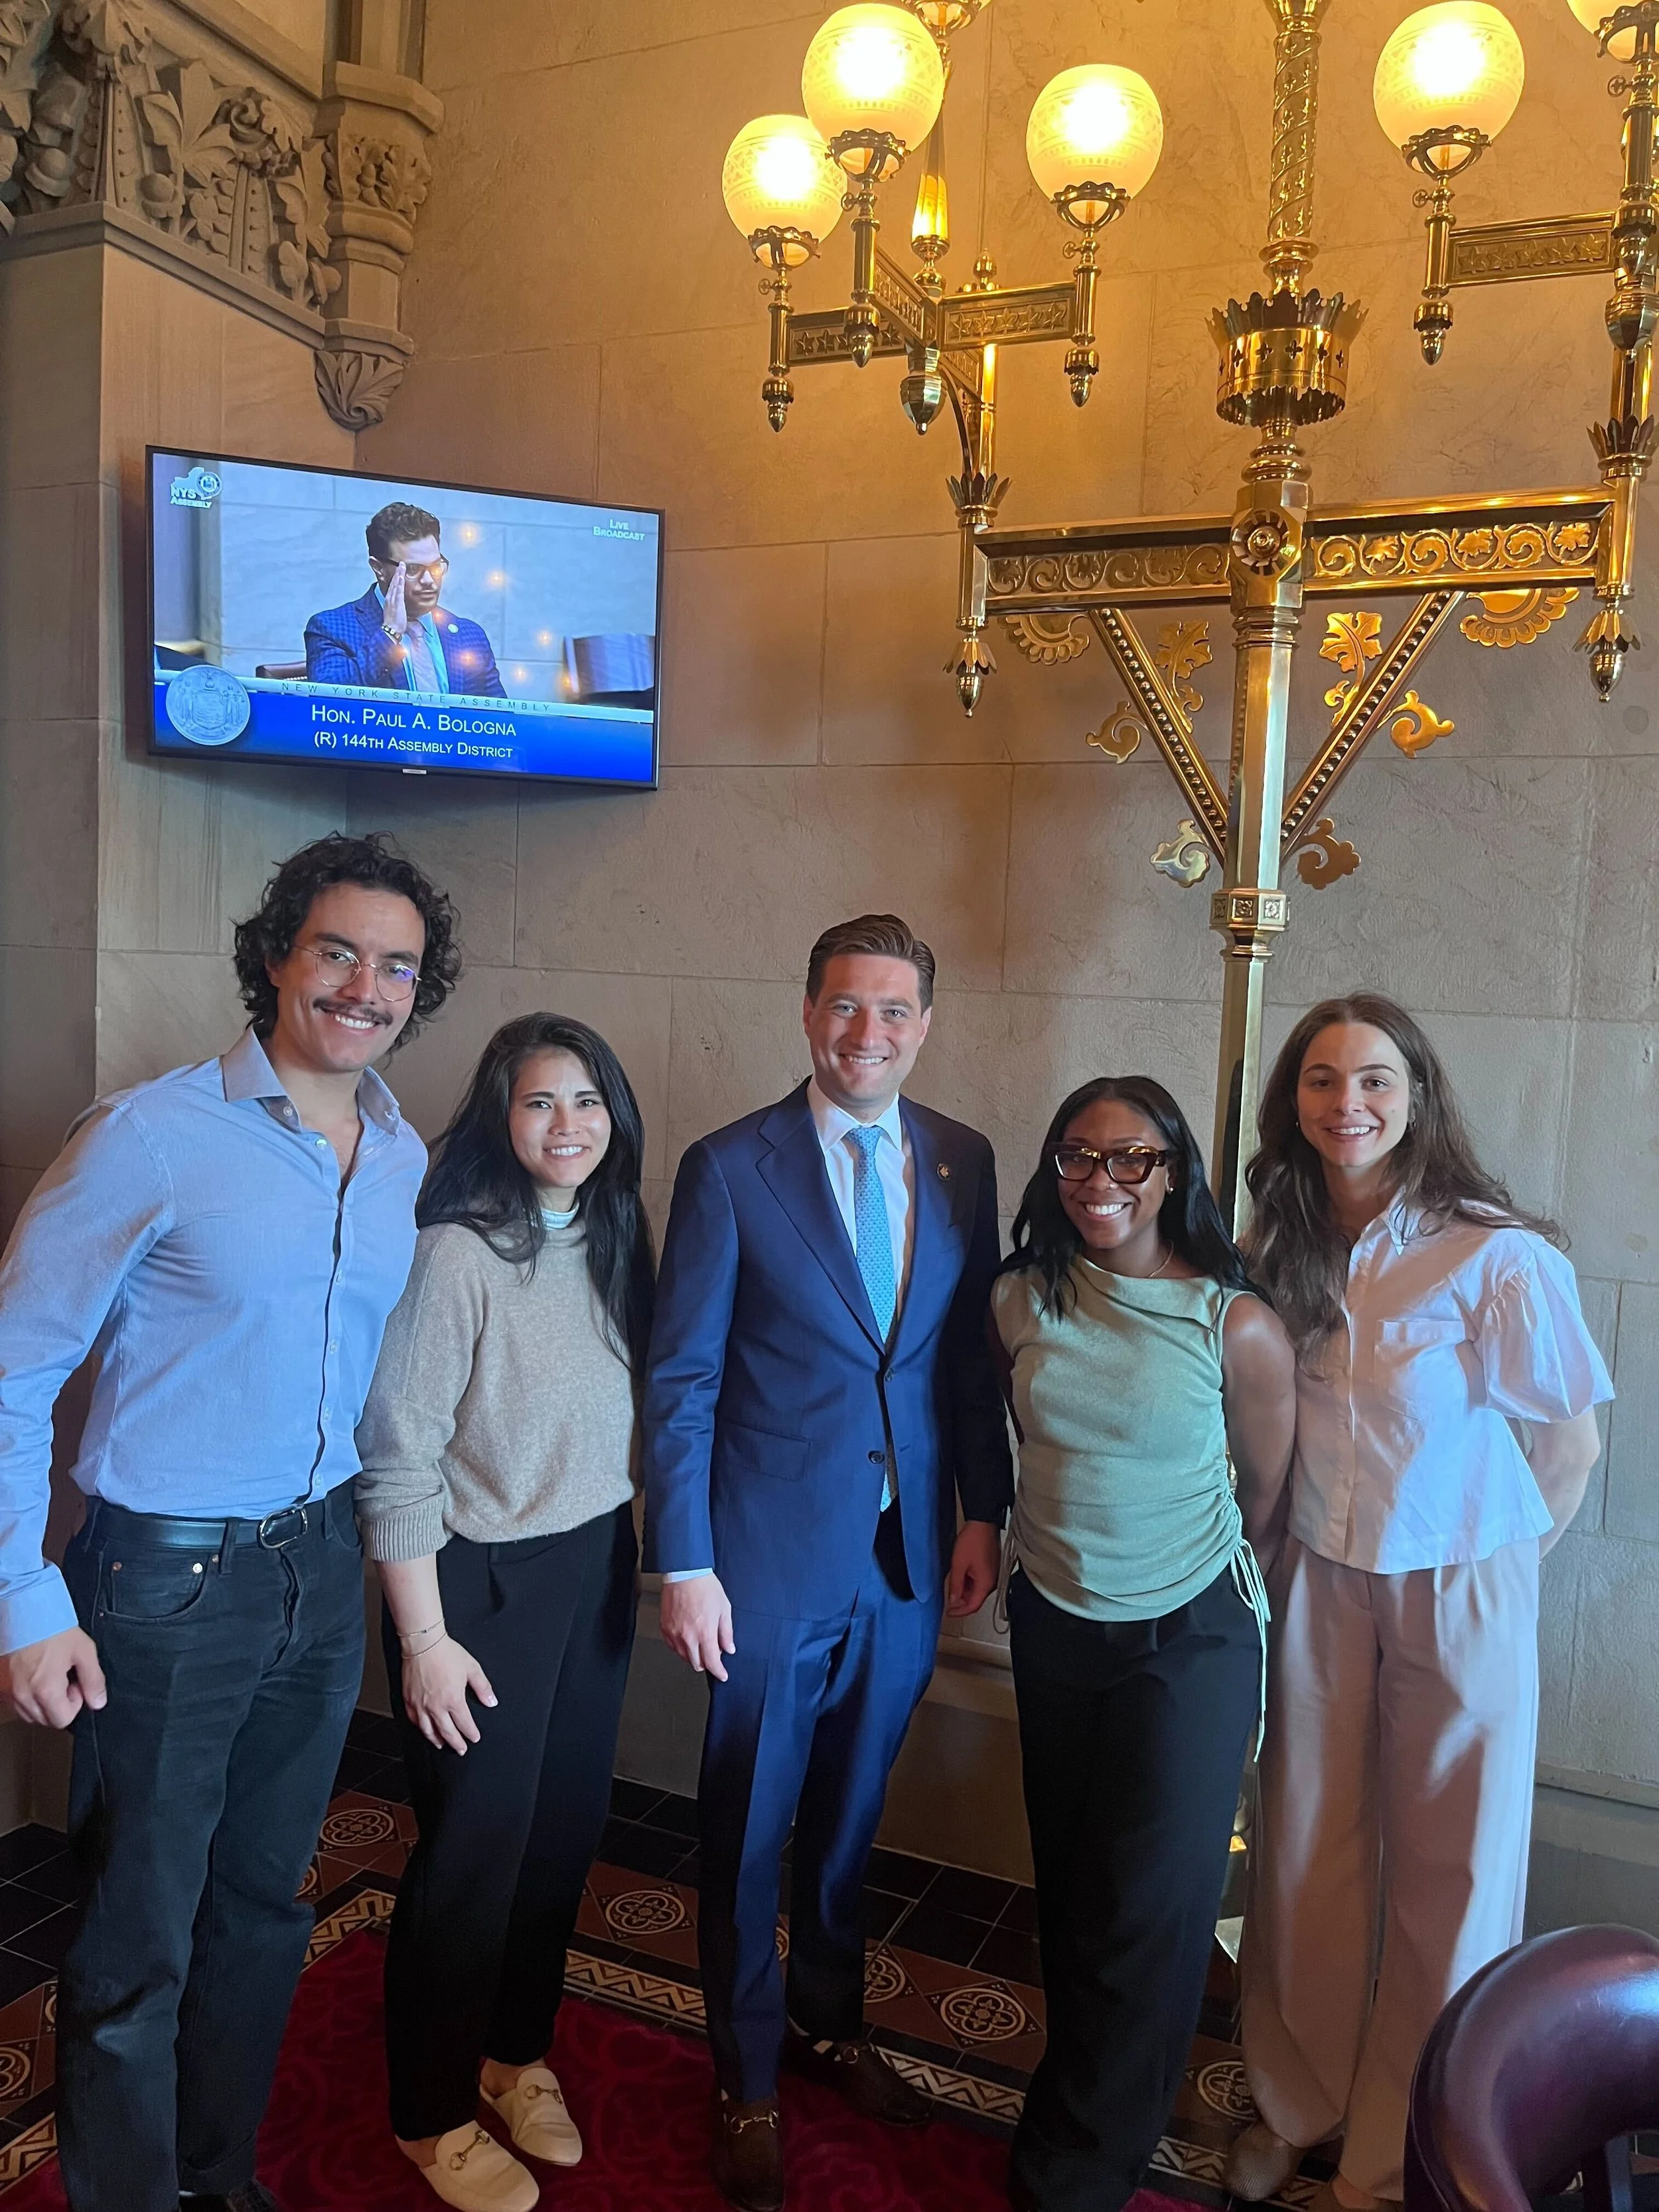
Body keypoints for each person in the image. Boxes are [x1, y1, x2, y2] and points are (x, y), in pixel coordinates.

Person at [0, 832, 462, 2212]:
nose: (364, 986)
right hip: (160, 1582)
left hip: (316, 1570)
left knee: (264, 1911)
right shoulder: (150, 1133)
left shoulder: (397, 1152)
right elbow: (15, 1368)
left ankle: (220, 2179)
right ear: (274, 953)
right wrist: (25, 1599)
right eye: (338, 950)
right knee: (140, 1932)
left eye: (397, 966)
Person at [644, 914, 1013, 2212]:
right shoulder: (727, 1166)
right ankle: (744, 2073)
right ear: (806, 1015)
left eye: (894, 1010)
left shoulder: (962, 1160)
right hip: (759, 1560)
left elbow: (964, 1361)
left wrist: (978, 1514)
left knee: (851, 1815)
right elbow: (681, 1375)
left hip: (908, 1560)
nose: (869, 1033)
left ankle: (827, 2025)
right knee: (750, 1819)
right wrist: (679, 1558)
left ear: (925, 1023)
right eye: (846, 1007)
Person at [1225, 993, 1613, 2211]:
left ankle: (1400, 2150)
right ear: (1295, 1100)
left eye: (1377, 1079)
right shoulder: (1277, 1241)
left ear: (1419, 1095)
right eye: (1325, 1080)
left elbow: (1571, 1443)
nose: (1351, 1104)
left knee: (1456, 1870)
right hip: (1320, 1578)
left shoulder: (1496, 1252)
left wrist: (1497, 1563)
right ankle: (1299, 2101)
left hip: (1462, 1578)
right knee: (1302, 1845)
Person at [356, 1015, 653, 2212]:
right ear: (500, 1114)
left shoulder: (619, 1235)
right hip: (475, 1584)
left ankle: (512, 2051)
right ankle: (428, 2112)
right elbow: (397, 1453)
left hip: (592, 1570)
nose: (566, 1124)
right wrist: (424, 1640)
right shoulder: (457, 1253)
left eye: (587, 1099)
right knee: (472, 1854)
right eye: (540, 1102)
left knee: (562, 1835)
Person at [991, 1077, 1295, 2212]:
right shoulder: (1020, 1297)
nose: (1101, 1181)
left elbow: (1265, 1496)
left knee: (1150, 1902)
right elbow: (1018, 1441)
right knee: (1074, 1888)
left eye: (1130, 1158)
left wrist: (1189, 1581)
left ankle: (1077, 2169)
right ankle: (1097, 2088)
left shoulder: (1235, 1320)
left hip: (1192, 1636)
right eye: (1078, 1156)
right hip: (1058, 1621)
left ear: (1174, 1171)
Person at [305, 502, 506, 697]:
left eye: (436, 567)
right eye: (413, 569)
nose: (429, 581)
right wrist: (389, 634)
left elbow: (499, 722)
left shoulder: (469, 636)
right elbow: (326, 702)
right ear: (379, 569)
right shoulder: (331, 628)